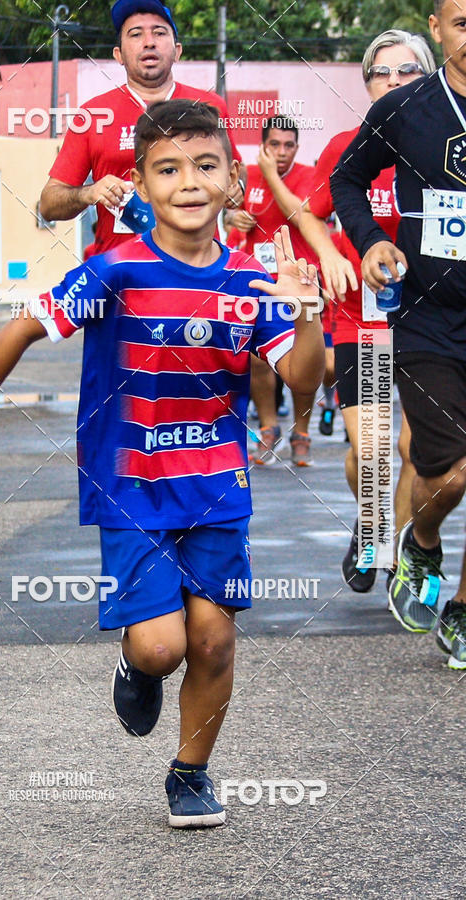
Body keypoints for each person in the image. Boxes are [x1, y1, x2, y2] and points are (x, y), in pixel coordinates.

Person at [0, 101, 324, 824]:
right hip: (132, 485)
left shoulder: (255, 283)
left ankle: (190, 773)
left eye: (205, 166)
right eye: (167, 169)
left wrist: (307, 312)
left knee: (214, 639)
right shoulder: (113, 270)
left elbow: (302, 381)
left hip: (218, 487)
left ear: (232, 182)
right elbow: (23, 328)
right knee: (165, 648)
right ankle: (137, 665)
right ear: (139, 182)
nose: (188, 183)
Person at [330, 1, 466, 668]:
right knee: (451, 471)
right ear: (438, 30)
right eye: (463, 22)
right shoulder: (406, 109)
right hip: (426, 320)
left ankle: (463, 611)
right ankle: (424, 541)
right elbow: (345, 180)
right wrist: (372, 241)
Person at [297, 30, 436, 592]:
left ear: (430, 79)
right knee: (372, 451)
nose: (394, 81)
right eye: (382, 72)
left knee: (417, 448)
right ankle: (371, 520)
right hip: (364, 322)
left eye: (407, 71)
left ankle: (401, 551)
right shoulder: (346, 148)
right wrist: (329, 251)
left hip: (432, 319)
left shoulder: (449, 143)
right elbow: (309, 213)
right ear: (367, 82)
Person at [39, 0, 244, 255]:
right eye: (136, 34)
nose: (149, 42)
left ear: (177, 50)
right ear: (118, 55)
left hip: (197, 269)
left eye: (159, 33)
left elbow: (237, 170)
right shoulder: (92, 115)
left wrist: (237, 189)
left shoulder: (210, 106)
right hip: (121, 274)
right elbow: (48, 203)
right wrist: (89, 193)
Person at [226, 117, 322, 466]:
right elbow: (226, 213)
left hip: (301, 285)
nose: (281, 152)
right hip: (257, 285)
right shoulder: (246, 174)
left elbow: (302, 216)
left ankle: (302, 431)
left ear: (297, 148)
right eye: (275, 145)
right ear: (263, 145)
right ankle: (269, 427)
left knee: (304, 360)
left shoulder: (309, 177)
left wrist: (270, 176)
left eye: (289, 145)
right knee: (254, 359)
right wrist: (231, 220)